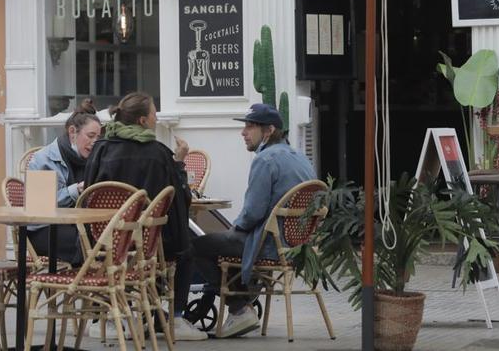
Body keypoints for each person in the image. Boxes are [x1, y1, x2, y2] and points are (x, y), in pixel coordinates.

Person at [82, 92, 204, 340]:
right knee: (187, 250)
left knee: (116, 254)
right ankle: (176, 318)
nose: (156, 118)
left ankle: (104, 317)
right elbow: (181, 201)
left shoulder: (101, 150)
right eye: (154, 114)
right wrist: (179, 163)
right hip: (151, 247)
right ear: (142, 121)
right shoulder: (159, 153)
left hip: (105, 244)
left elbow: (88, 194)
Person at [189, 103, 316, 338]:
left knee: (196, 247)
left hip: (267, 245)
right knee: (222, 241)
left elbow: (252, 214)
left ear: (268, 131)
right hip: (296, 246)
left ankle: (239, 309)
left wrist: (235, 228)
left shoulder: (265, 160)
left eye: (250, 127)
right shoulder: (301, 158)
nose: (243, 132)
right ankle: (245, 299)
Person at [26, 99, 101, 266]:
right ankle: (85, 285)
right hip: (45, 229)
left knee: (107, 239)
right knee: (90, 245)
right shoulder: (43, 159)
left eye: (98, 137)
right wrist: (75, 190)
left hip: (79, 226)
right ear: (72, 132)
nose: (95, 142)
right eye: (90, 136)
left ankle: (91, 284)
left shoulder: (95, 160)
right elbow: (38, 207)